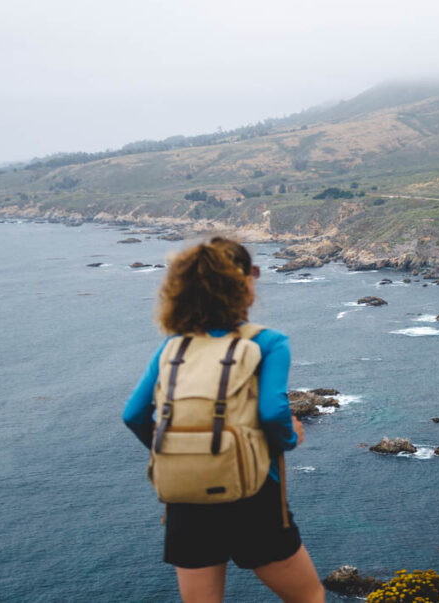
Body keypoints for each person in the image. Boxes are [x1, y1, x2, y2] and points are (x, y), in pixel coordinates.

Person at [122, 237, 325, 603]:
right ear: (244, 282)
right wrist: (291, 438)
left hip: (186, 498)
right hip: (253, 494)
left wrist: (176, 450)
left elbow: (133, 414)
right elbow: (272, 412)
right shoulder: (269, 342)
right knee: (308, 597)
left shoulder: (175, 346)